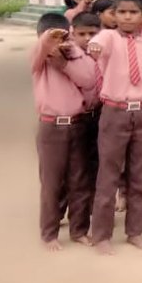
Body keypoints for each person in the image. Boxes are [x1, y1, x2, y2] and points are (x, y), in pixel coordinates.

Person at [86, 0, 142, 255]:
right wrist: (94, 48)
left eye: (133, 12)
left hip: (141, 112)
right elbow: (97, 47)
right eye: (122, 12)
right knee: (109, 174)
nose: (127, 17)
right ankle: (102, 235)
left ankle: (135, 231)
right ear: (114, 15)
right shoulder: (108, 37)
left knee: (140, 176)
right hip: (114, 112)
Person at [31, 13, 96, 251]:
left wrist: (67, 61)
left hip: (78, 124)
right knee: (51, 183)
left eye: (62, 37)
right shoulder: (39, 61)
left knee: (79, 181)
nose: (57, 43)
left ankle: (79, 230)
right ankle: (49, 233)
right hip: (51, 126)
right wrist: (48, 43)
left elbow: (89, 80)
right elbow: (38, 52)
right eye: (51, 38)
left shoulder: (79, 56)